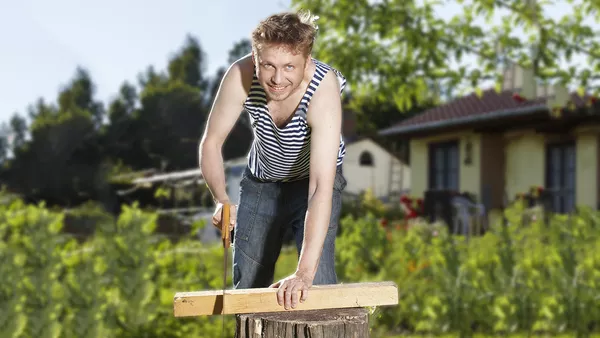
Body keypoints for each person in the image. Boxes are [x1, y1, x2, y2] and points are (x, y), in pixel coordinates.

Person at [198, 9, 347, 311]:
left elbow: (320, 187)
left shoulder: (323, 88)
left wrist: (303, 275)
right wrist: (221, 199)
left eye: (289, 66)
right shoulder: (240, 76)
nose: (278, 79)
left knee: (316, 284)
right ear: (256, 59)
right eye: (268, 66)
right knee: (249, 284)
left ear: (306, 63)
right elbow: (211, 143)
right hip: (261, 182)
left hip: (313, 183)